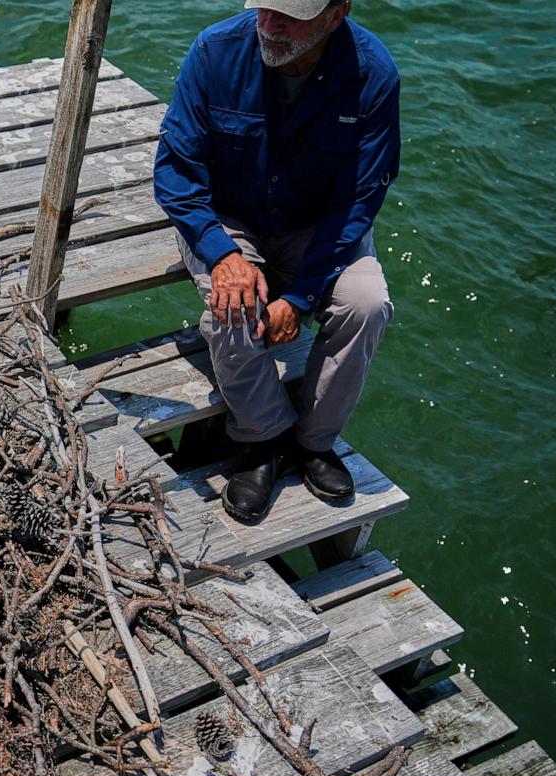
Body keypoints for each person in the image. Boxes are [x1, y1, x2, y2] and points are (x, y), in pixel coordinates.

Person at [152, 0, 400, 523]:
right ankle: (262, 437)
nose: (270, 24)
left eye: (290, 14)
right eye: (263, 7)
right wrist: (222, 254)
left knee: (368, 302)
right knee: (232, 304)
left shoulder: (374, 75)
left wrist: (301, 294)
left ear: (337, 14)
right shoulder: (214, 50)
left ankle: (314, 442)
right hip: (227, 219)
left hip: (317, 228)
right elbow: (177, 173)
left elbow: (358, 202)